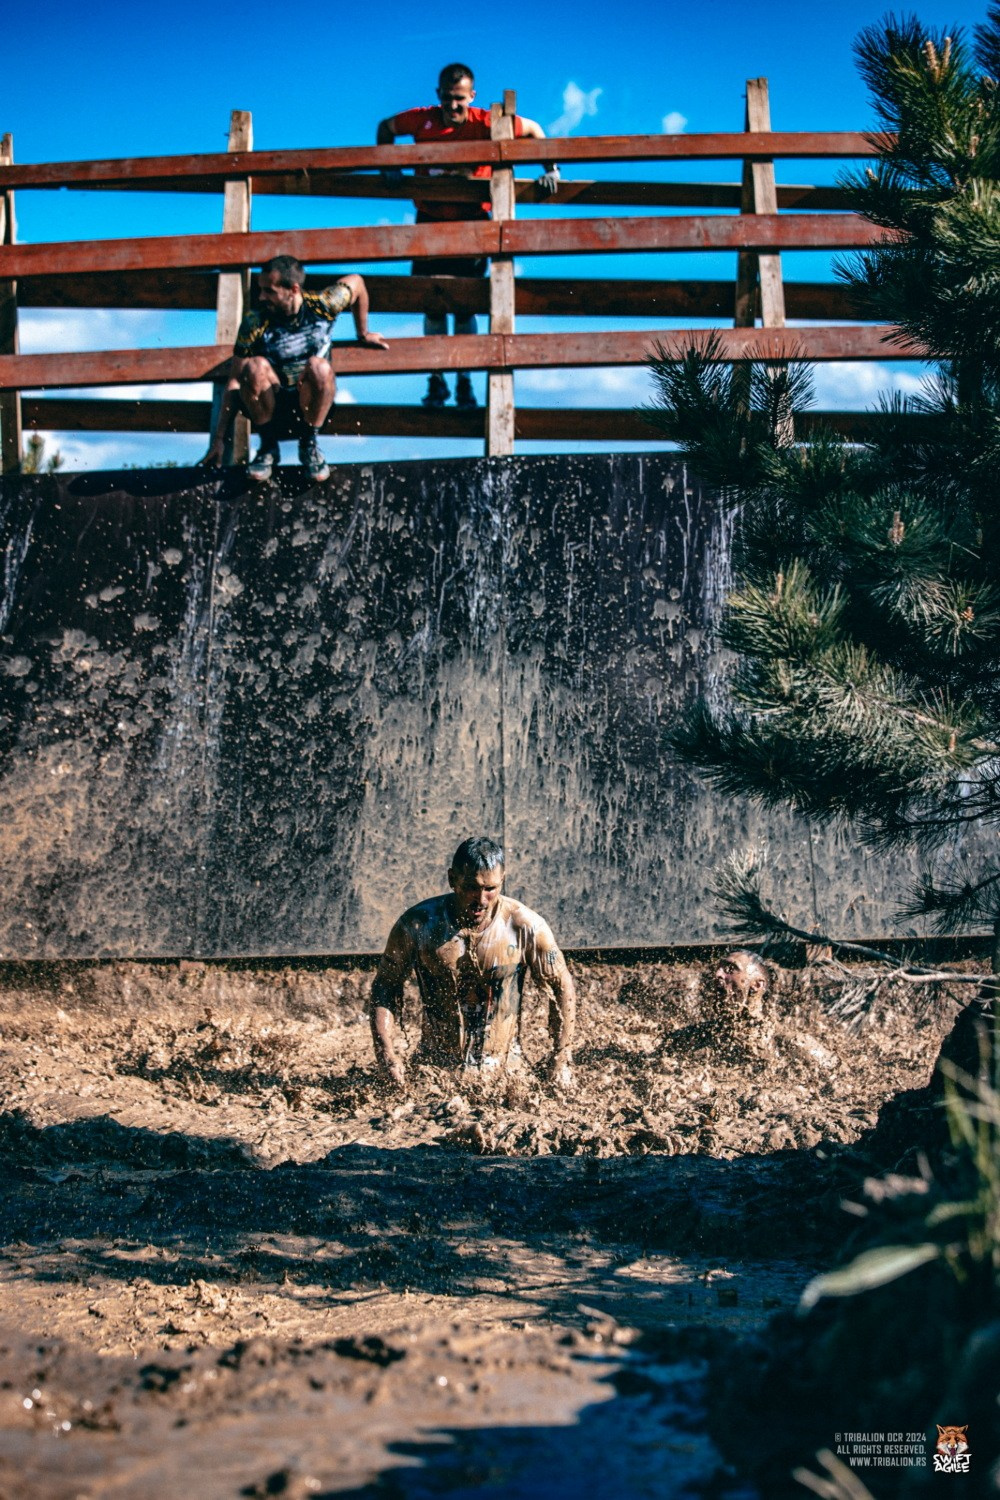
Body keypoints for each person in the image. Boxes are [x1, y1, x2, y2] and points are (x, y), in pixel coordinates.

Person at [376, 63, 559, 409]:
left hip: (473, 223)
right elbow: (385, 128)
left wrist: (551, 168)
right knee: (431, 303)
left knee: (464, 306)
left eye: (459, 99)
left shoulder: (486, 122)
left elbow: (534, 130)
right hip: (430, 222)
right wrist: (389, 162)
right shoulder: (422, 120)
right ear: (438, 96)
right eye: (447, 98)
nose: (453, 106)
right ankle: (437, 379)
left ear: (471, 96)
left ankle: (463, 381)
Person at [370, 836, 576, 1088]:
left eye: (490, 888)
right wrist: (386, 1055)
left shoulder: (526, 927)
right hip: (433, 1071)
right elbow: (385, 986)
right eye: (471, 887)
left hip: (506, 1073)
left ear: (502, 880)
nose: (481, 899)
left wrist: (562, 1057)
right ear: (451, 879)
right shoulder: (418, 924)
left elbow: (561, 984)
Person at [201, 254, 389, 483]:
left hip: (311, 408)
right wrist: (219, 438)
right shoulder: (255, 322)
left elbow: (357, 282)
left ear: (293, 289)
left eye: (269, 291)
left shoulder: (323, 305)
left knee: (319, 366)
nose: (261, 297)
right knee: (254, 366)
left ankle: (309, 445)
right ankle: (268, 448)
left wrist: (363, 333)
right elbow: (236, 381)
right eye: (261, 290)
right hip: (271, 409)